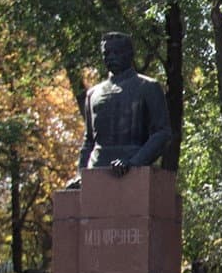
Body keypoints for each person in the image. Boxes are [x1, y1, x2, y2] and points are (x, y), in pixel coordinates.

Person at [70, 32, 173, 184]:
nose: (111, 57)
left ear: (130, 54)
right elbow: (89, 141)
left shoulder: (148, 87)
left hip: (133, 166)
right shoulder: (93, 94)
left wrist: (134, 162)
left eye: (116, 52)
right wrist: (81, 175)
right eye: (107, 53)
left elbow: (162, 133)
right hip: (96, 169)